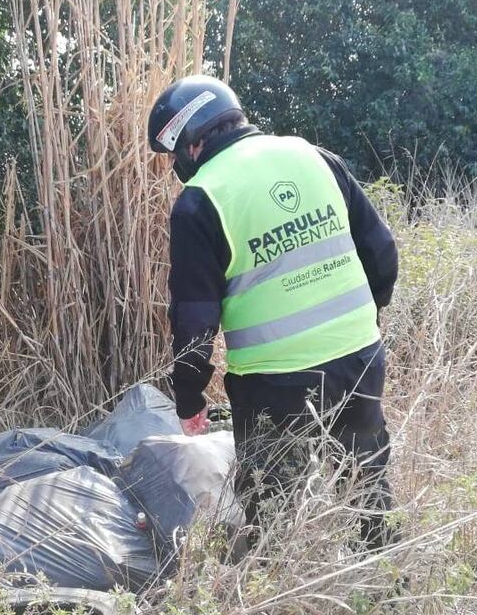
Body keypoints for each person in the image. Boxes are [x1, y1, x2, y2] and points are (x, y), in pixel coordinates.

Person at [147, 75, 399, 549]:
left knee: (273, 508)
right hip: (359, 358)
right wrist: (367, 319)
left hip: (274, 383)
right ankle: (382, 575)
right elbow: (382, 252)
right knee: (366, 483)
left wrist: (189, 398)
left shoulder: (200, 200)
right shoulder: (314, 156)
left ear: (191, 143)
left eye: (175, 154)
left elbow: (193, 322)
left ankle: (279, 585)